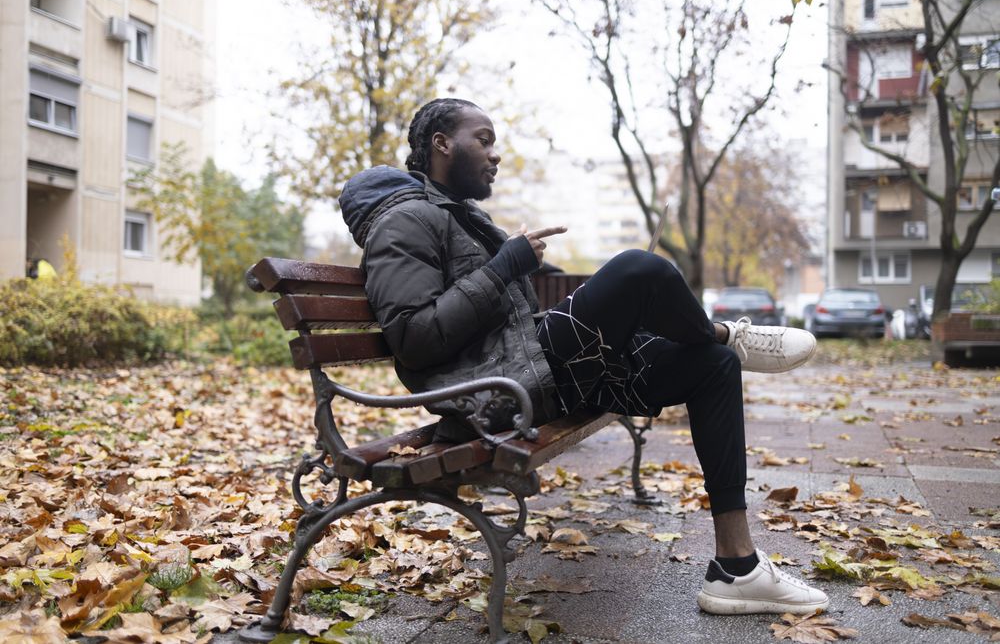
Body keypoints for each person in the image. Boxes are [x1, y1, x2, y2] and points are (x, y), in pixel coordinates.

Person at [338, 98, 829, 616]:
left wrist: (526, 274)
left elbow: (500, 321)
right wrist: (506, 264)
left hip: (531, 377)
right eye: (483, 139)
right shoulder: (402, 223)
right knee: (639, 269)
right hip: (498, 398)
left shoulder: (456, 218)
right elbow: (415, 338)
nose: (495, 154)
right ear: (442, 143)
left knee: (713, 367)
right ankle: (726, 333)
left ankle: (737, 566)